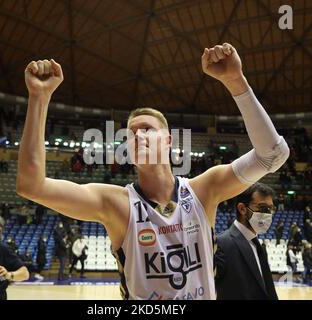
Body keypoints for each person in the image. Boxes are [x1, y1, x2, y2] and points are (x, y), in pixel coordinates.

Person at [16, 43, 289, 299]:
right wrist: (39, 98)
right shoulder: (115, 204)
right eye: (130, 134)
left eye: (146, 129)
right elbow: (31, 185)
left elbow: (272, 154)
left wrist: (235, 81)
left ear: (168, 140)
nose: (137, 136)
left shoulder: (204, 190)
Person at [215, 183, 278, 300]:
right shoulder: (221, 244)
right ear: (242, 209)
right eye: (262, 207)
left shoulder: (259, 246)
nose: (268, 214)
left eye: (271, 209)